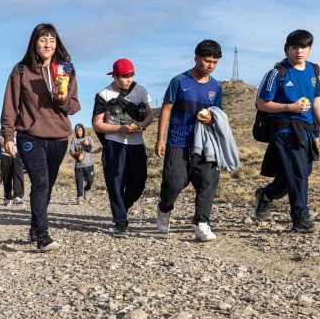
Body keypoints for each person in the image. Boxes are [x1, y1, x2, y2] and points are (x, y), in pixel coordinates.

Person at [0, 23, 81, 252]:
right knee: (41, 182)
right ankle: (43, 237)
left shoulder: (66, 70)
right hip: (30, 135)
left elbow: (74, 106)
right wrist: (8, 135)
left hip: (58, 136)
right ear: (34, 43)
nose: (48, 44)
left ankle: (35, 226)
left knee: (47, 185)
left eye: (52, 40)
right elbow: (10, 105)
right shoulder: (21, 70)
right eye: (43, 40)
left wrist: (62, 99)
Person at [253, 29, 320, 232]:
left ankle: (267, 195)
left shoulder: (314, 71)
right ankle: (300, 218)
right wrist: (290, 107)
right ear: (287, 50)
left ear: (310, 49)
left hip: (306, 129)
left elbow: (316, 102)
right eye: (295, 47)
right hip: (284, 128)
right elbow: (261, 103)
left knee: (303, 172)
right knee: (297, 173)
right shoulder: (277, 73)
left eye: (304, 47)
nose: (299, 51)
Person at [155, 40, 224, 242]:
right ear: (196, 58)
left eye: (215, 62)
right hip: (178, 140)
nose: (210, 65)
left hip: (205, 143)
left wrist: (211, 119)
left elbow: (218, 114)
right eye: (207, 61)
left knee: (207, 182)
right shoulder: (179, 81)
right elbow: (166, 109)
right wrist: (160, 139)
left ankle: (202, 224)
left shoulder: (216, 87)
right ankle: (164, 208)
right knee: (174, 182)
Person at [93, 58, 153, 237]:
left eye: (131, 76)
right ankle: (120, 221)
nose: (129, 79)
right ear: (115, 76)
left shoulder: (141, 90)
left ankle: (122, 207)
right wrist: (120, 129)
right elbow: (97, 124)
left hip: (136, 143)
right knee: (115, 182)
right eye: (125, 77)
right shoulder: (104, 95)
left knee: (138, 183)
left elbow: (150, 116)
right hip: (114, 142)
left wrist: (142, 125)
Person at [0, 121, 24, 206]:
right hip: (5, 153)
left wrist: (5, 137)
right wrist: (10, 135)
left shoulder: (20, 120)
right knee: (6, 176)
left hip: (18, 152)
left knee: (18, 174)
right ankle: (8, 197)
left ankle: (18, 196)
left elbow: (23, 134)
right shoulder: (1, 121)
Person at [68, 123, 96, 205]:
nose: (78, 132)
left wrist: (88, 145)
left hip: (89, 165)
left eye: (80, 130)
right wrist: (77, 156)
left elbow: (93, 150)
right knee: (79, 182)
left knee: (90, 180)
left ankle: (87, 189)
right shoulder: (74, 140)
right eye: (77, 130)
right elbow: (71, 151)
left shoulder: (88, 138)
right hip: (79, 166)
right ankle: (79, 197)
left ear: (83, 130)